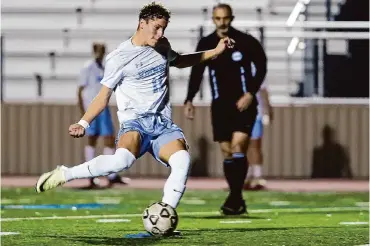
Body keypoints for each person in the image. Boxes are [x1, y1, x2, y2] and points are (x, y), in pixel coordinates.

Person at [35, 2, 235, 212]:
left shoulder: (162, 45)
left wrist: (215, 51)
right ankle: (65, 174)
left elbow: (180, 61)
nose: (160, 33)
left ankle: (165, 213)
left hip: (162, 125)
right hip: (135, 123)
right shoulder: (118, 57)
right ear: (142, 23)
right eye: (156, 27)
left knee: (182, 160)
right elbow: (103, 96)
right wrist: (83, 122)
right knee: (121, 162)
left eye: (163, 29)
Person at [184, 3, 267, 215]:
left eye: (225, 18)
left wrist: (250, 93)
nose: (222, 22)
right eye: (218, 18)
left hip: (244, 105)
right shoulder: (207, 43)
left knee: (239, 147)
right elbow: (197, 71)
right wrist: (189, 99)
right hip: (220, 107)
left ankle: (234, 197)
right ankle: (237, 197)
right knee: (227, 152)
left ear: (231, 18)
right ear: (213, 19)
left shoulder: (245, 41)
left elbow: (262, 64)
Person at [78, 42, 127, 188]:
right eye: (99, 50)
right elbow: (80, 90)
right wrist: (83, 112)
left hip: (102, 108)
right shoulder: (88, 68)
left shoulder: (105, 67)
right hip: (92, 108)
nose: (102, 53)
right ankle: (90, 176)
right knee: (92, 139)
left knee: (109, 138)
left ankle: (111, 175)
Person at [244, 64, 273, 190]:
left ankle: (257, 176)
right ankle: (246, 177)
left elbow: (264, 90)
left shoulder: (256, 68)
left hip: (255, 113)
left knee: (255, 145)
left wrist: (268, 109)